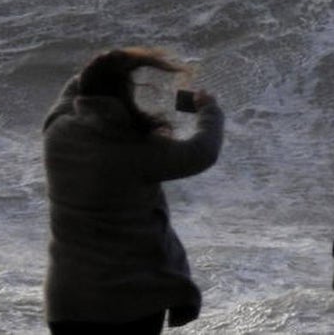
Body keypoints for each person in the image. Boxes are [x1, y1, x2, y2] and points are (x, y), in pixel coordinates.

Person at [42, 47, 224, 335]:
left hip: (68, 302)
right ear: (124, 95)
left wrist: (102, 69)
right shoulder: (137, 149)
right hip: (129, 304)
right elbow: (201, 152)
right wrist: (208, 110)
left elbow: (70, 94)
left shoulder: (57, 132)